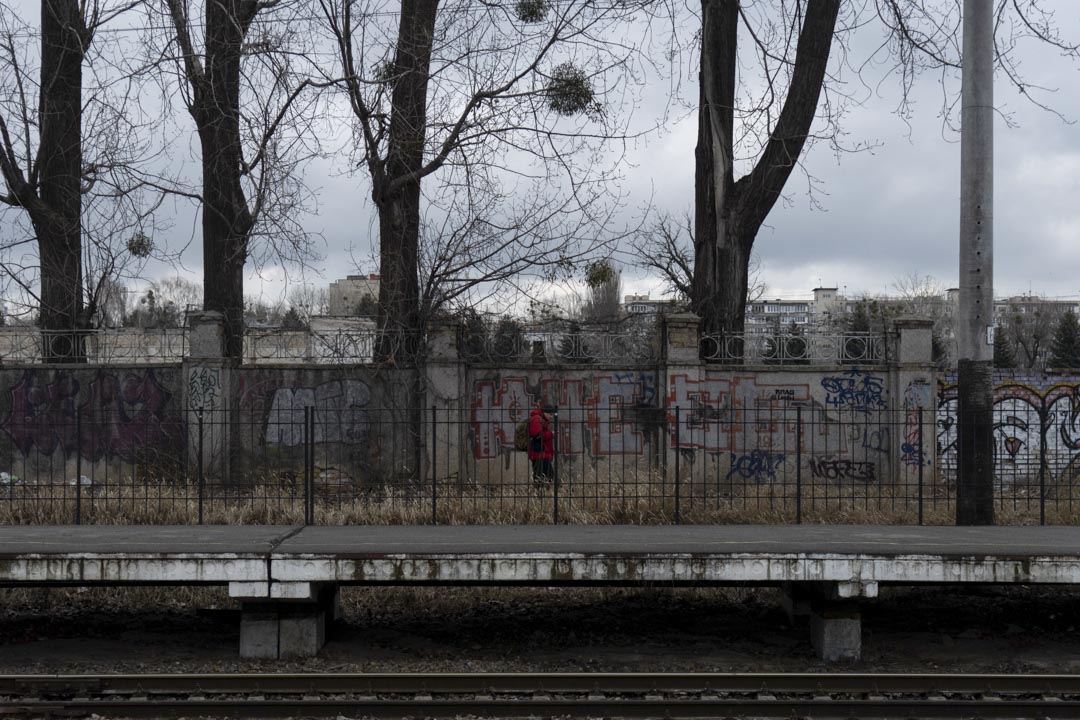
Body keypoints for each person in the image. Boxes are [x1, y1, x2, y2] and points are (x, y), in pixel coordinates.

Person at [527, 405, 555, 487]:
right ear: (545, 413)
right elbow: (538, 436)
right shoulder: (537, 419)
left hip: (543, 453)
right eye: (550, 414)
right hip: (539, 454)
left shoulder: (541, 420)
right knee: (543, 476)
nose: (551, 417)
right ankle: (539, 495)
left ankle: (542, 494)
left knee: (546, 476)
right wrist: (551, 434)